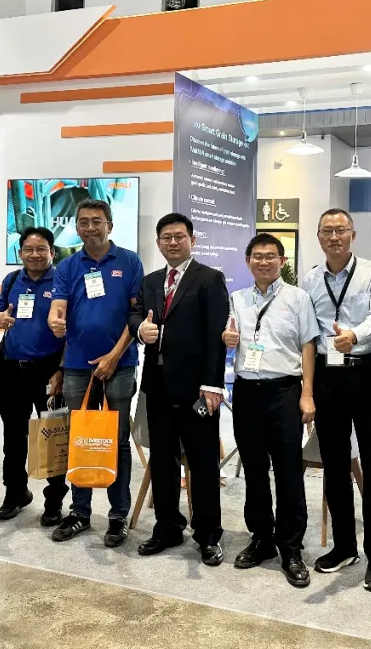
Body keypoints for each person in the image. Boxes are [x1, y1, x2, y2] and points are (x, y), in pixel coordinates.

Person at [301, 208, 371, 592]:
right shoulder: (309, 280)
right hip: (328, 376)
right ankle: (344, 547)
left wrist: (354, 335)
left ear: (353, 234)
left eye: (341, 230)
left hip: (368, 373)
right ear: (319, 237)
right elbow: (308, 332)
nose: (334, 236)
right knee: (334, 465)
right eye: (327, 231)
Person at [128, 213, 227, 566]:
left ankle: (208, 535)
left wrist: (213, 384)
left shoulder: (210, 279)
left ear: (192, 240)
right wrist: (140, 331)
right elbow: (135, 315)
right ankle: (167, 528)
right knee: (162, 460)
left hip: (197, 390)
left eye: (179, 236)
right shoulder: (151, 281)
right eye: (166, 237)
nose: (173, 242)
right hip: (157, 387)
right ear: (158, 243)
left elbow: (217, 336)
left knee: (203, 464)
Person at [47, 199, 144, 548]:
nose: (90, 228)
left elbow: (136, 316)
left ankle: (118, 516)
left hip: (121, 364)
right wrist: (54, 320)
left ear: (109, 226)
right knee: (81, 439)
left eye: (97, 221)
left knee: (117, 440)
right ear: (76, 228)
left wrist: (114, 357)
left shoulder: (129, 261)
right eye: (84, 222)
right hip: (77, 365)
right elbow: (58, 307)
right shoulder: (68, 266)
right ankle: (80, 512)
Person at [223, 232, 316, 587]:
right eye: (257, 256)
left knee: (289, 471)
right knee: (255, 470)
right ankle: (261, 538)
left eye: (270, 256)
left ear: (282, 261)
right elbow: (229, 337)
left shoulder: (297, 298)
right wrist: (227, 339)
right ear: (248, 261)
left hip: (285, 391)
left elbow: (308, 345)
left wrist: (307, 394)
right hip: (247, 392)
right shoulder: (237, 299)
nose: (264, 262)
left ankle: (291, 547)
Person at [0, 226, 67, 524]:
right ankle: (15, 493)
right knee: (13, 434)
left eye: (41, 249)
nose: (35, 254)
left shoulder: (62, 282)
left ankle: (54, 501)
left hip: (49, 371)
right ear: (20, 253)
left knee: (52, 436)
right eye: (28, 249)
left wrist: (61, 369)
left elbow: (72, 330)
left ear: (52, 252)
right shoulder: (12, 280)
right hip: (11, 368)